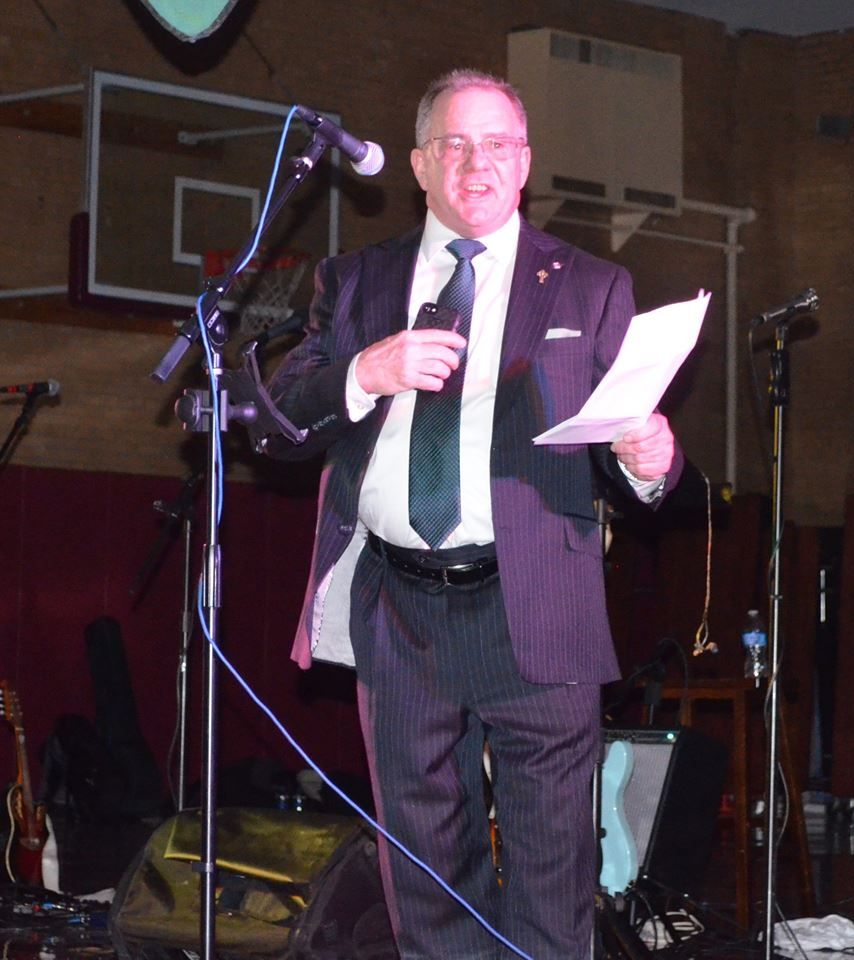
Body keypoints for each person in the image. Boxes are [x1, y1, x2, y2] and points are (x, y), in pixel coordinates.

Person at [268, 68, 683, 960]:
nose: (475, 163)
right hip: (397, 608)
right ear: (419, 165)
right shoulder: (353, 281)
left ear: (524, 162)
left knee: (550, 868)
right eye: (453, 144)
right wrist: (362, 375)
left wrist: (651, 462)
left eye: (496, 144)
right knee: (424, 872)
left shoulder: (589, 286)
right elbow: (277, 417)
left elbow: (635, 429)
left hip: (532, 601)